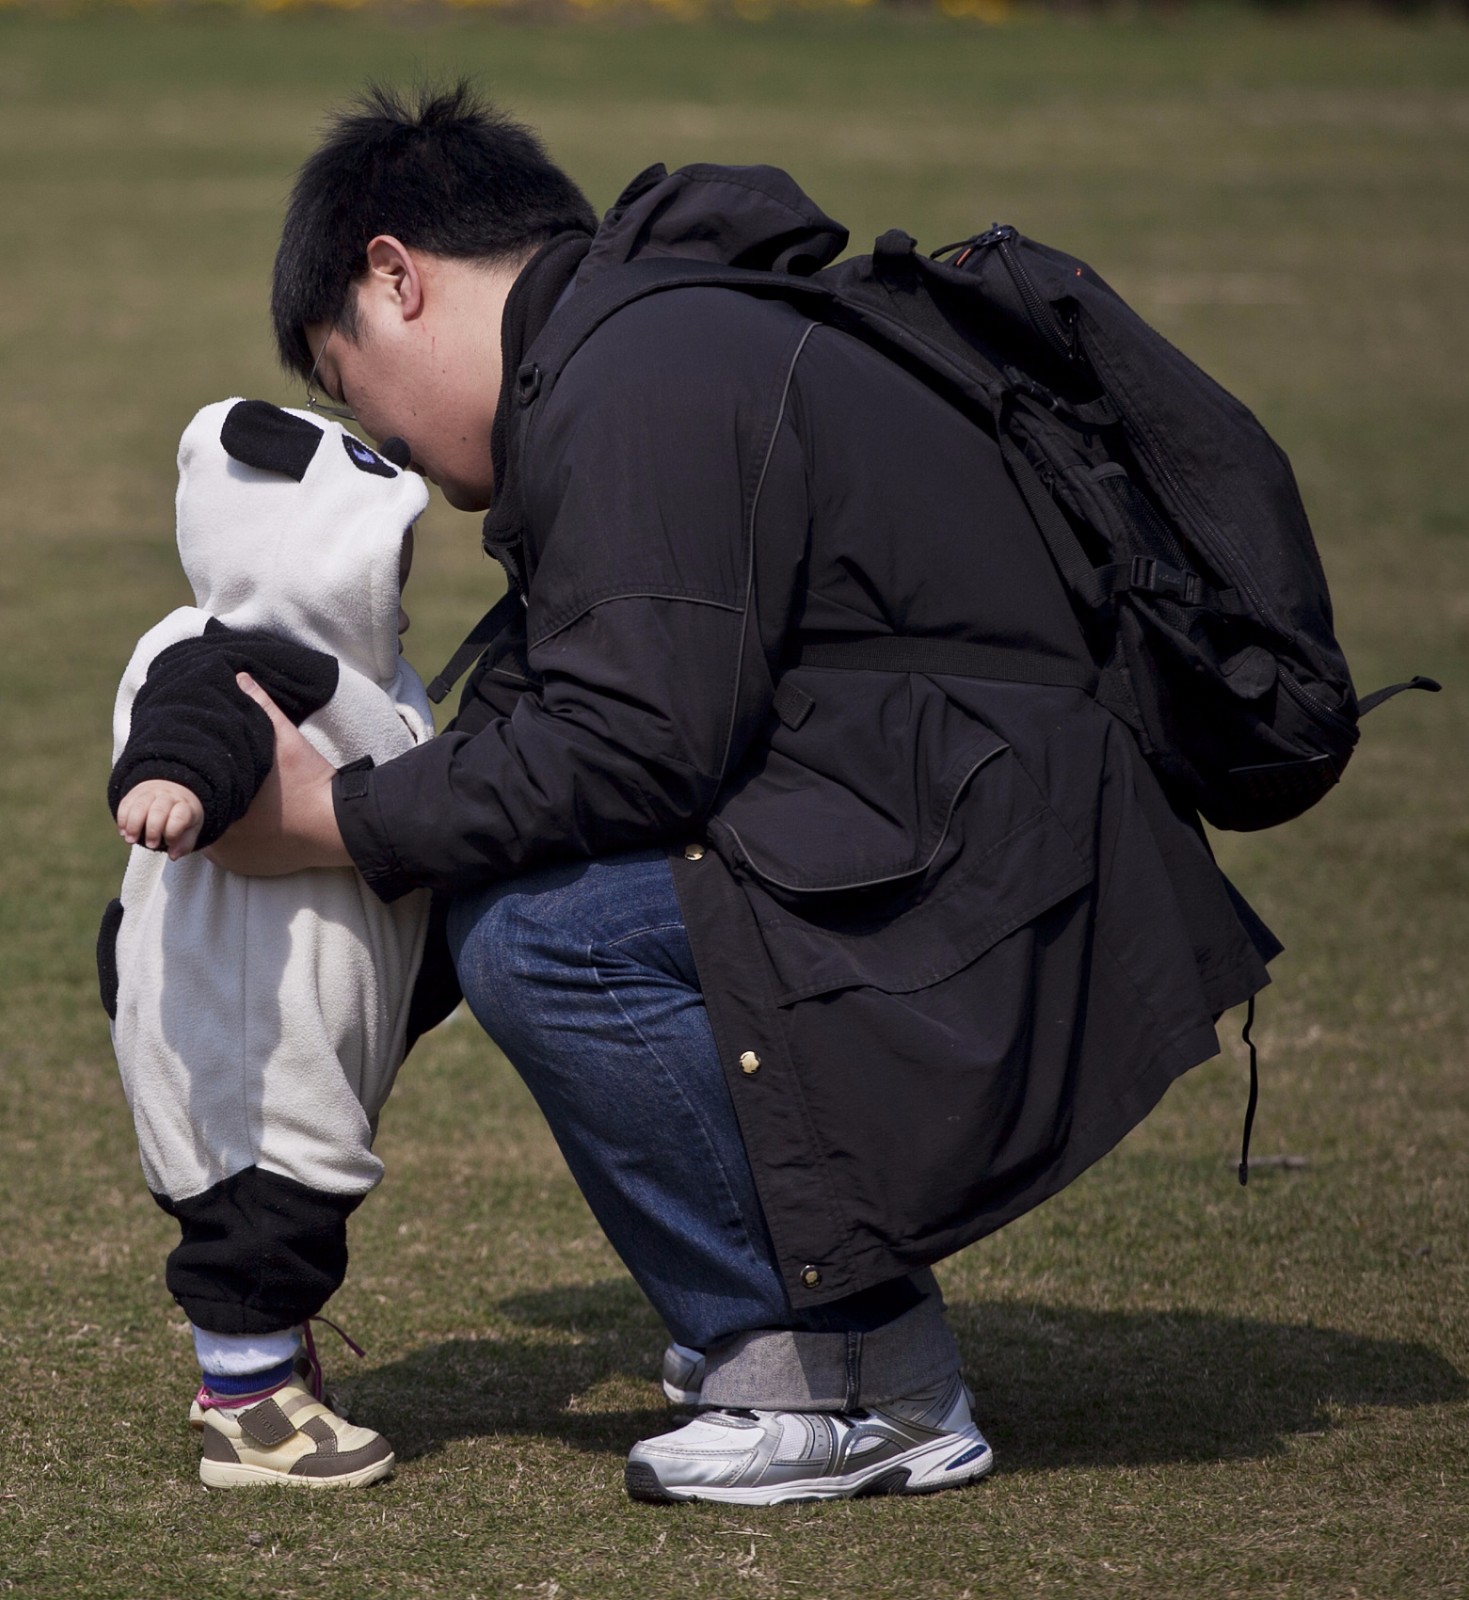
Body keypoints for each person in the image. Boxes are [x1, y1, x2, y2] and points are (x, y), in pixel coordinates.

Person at [210, 83, 1279, 1505]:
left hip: (1009, 876)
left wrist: (329, 825)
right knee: (512, 896)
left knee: (552, 937)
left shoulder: (638, 375)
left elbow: (629, 747)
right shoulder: (639, 342)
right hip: (989, 840)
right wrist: (263, 1111)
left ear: (395, 278)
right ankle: (831, 1348)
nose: (388, 460)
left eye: (354, 392)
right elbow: (523, 761)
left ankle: (850, 1373)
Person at [103, 396, 434, 1488]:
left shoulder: (357, 679)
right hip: (244, 1037)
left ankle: (262, 1362)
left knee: (286, 1199)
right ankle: (248, 1411)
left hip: (294, 1016)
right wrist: (171, 785)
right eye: (380, 558)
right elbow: (197, 722)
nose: (398, 586)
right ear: (310, 557)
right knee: (266, 1212)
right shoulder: (242, 660)